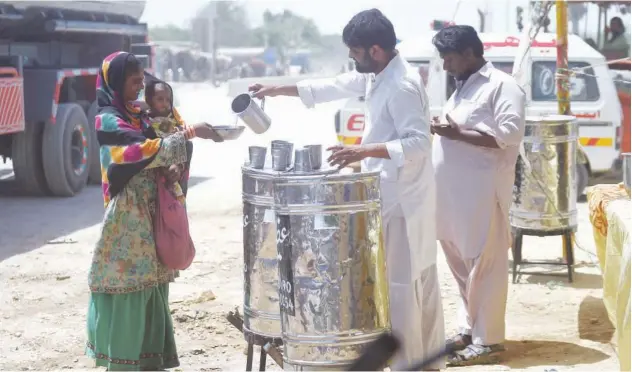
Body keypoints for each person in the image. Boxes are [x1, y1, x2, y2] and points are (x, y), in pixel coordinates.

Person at [249, 9, 444, 370]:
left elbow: (418, 143)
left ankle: (412, 365)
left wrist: (361, 150)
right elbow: (333, 86)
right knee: (394, 289)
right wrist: (276, 89)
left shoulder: (401, 85)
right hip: (386, 196)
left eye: (354, 52)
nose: (351, 58)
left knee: (402, 291)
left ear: (375, 50)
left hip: (404, 204)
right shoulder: (378, 75)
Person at [86, 51, 221, 371]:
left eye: (142, 81)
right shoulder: (108, 119)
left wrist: (175, 162)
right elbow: (136, 151)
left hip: (152, 213)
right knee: (127, 284)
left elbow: (167, 125)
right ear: (116, 82)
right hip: (127, 217)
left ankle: (149, 362)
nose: (139, 88)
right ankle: (122, 362)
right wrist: (187, 134)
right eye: (134, 82)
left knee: (152, 283)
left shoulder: (138, 112)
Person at [430, 25, 526, 366]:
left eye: (450, 58)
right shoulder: (463, 87)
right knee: (461, 266)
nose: (445, 66)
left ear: (470, 53)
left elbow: (510, 135)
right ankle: (468, 330)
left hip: (483, 196)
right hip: (452, 198)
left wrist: (457, 134)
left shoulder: (503, 86)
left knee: (485, 266)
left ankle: (488, 340)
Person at [144, 78, 193, 197]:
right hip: (155, 182)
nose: (165, 103)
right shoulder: (145, 124)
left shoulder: (174, 121)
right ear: (150, 100)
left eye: (168, 100)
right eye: (160, 99)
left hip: (176, 178)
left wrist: (179, 165)